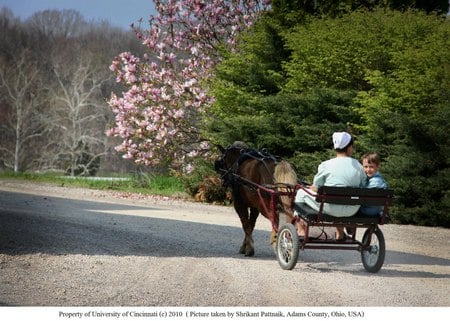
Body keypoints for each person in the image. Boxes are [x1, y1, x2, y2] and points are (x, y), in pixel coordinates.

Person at [295, 131, 367, 240]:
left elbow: (317, 186)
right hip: (352, 209)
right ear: (349, 148)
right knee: (340, 198)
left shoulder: (326, 165)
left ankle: (301, 230)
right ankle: (340, 234)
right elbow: (363, 185)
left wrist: (314, 188)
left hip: (329, 208)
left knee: (301, 192)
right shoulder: (359, 166)